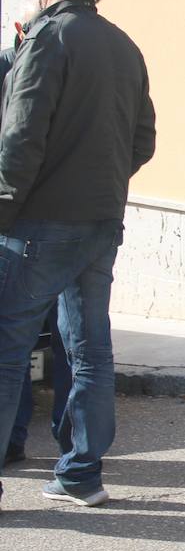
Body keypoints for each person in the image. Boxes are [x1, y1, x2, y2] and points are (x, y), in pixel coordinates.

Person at [0, 0, 156, 510]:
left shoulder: (46, 39)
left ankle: (74, 474)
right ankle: (81, 474)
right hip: (99, 220)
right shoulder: (125, 46)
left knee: (7, 350)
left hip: (38, 224)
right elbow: (143, 140)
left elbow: (20, 138)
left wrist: (4, 209)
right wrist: (105, 180)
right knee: (90, 350)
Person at [0, 34, 74, 469]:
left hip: (30, 224)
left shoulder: (45, 64)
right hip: (64, 219)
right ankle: (34, 444)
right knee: (42, 339)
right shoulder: (78, 60)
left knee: (26, 339)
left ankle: (62, 447)